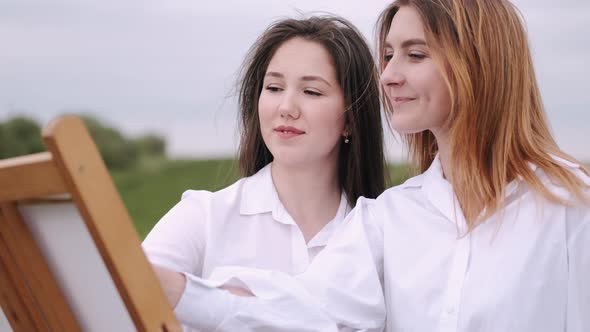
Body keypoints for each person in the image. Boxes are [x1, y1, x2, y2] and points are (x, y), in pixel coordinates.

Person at [293, 0, 590, 330]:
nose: (388, 75)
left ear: (479, 61)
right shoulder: (385, 218)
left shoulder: (572, 206)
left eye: (415, 55)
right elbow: (300, 309)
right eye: (388, 55)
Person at [141, 15, 387, 331]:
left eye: (311, 92)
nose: (286, 107)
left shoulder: (377, 233)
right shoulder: (204, 217)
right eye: (273, 87)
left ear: (351, 119)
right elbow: (125, 299)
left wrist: (192, 296)